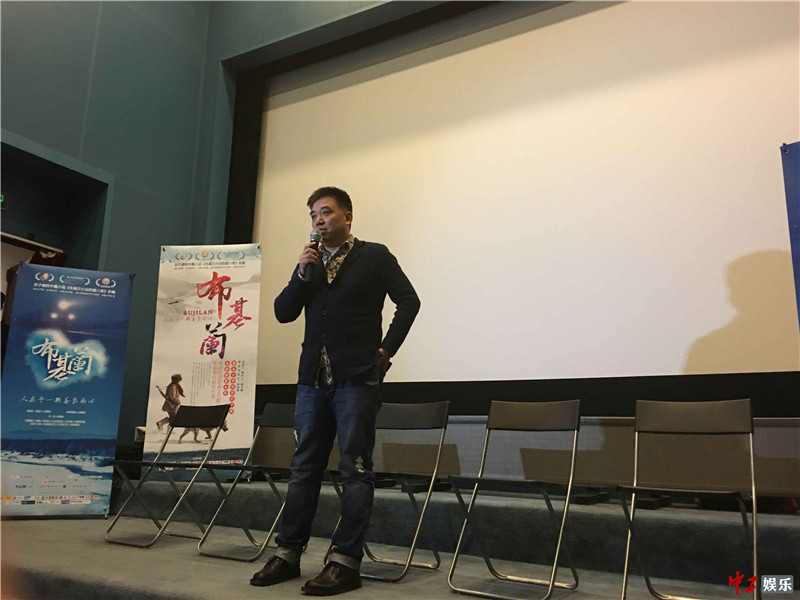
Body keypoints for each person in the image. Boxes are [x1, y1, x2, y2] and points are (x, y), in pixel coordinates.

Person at [250, 187, 420, 596]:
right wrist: (300, 272)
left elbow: (409, 301)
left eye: (326, 212)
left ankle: (345, 562)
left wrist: (386, 351)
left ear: (348, 216)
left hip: (356, 379)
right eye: (313, 215)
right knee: (303, 468)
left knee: (354, 469)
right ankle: (288, 553)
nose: (319, 220)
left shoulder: (374, 255)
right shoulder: (310, 262)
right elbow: (283, 312)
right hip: (312, 381)